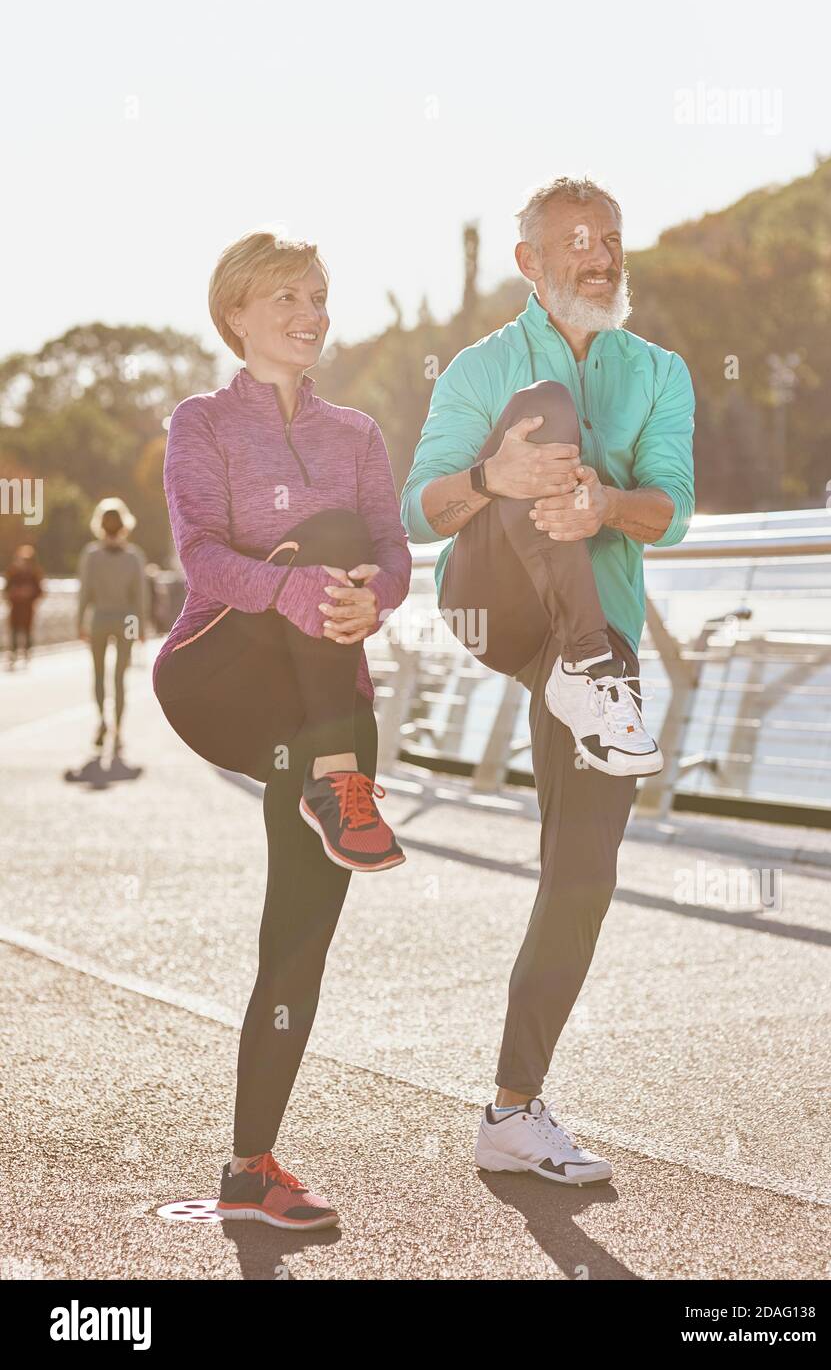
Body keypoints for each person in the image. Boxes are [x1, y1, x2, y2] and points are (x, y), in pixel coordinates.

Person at [401, 177, 696, 1186]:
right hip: (495, 601)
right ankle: (584, 662)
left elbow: (672, 510)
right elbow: (417, 508)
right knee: (541, 413)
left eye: (611, 239)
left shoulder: (658, 370)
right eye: (575, 241)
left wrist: (602, 504)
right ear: (528, 262)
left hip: (599, 644)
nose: (599, 256)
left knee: (580, 877)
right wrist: (501, 480)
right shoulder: (486, 369)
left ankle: (511, 1109)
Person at [152, 227, 411, 1230]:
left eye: (317, 296)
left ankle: (249, 1168)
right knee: (334, 537)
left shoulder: (355, 431)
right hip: (220, 675)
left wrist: (369, 602)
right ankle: (337, 781)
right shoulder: (202, 421)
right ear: (235, 316)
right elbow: (200, 556)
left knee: (297, 937)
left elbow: (392, 549)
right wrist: (302, 590)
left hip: (324, 703)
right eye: (284, 299)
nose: (309, 315)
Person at [78, 498, 148, 752]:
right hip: (126, 620)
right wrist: (141, 628)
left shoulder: (91, 555)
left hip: (99, 618)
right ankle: (118, 730)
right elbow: (140, 597)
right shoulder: (134, 557)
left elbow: (84, 593)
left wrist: (80, 622)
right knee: (120, 678)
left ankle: (101, 721)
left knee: (98, 675)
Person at [3, 544, 44, 668]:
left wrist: (29, 594)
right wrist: (14, 593)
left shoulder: (35, 573)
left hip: (27, 608)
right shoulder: (12, 571)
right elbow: (6, 589)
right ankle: (13, 652)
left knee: (27, 631)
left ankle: (27, 652)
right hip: (15, 607)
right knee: (14, 630)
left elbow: (40, 591)